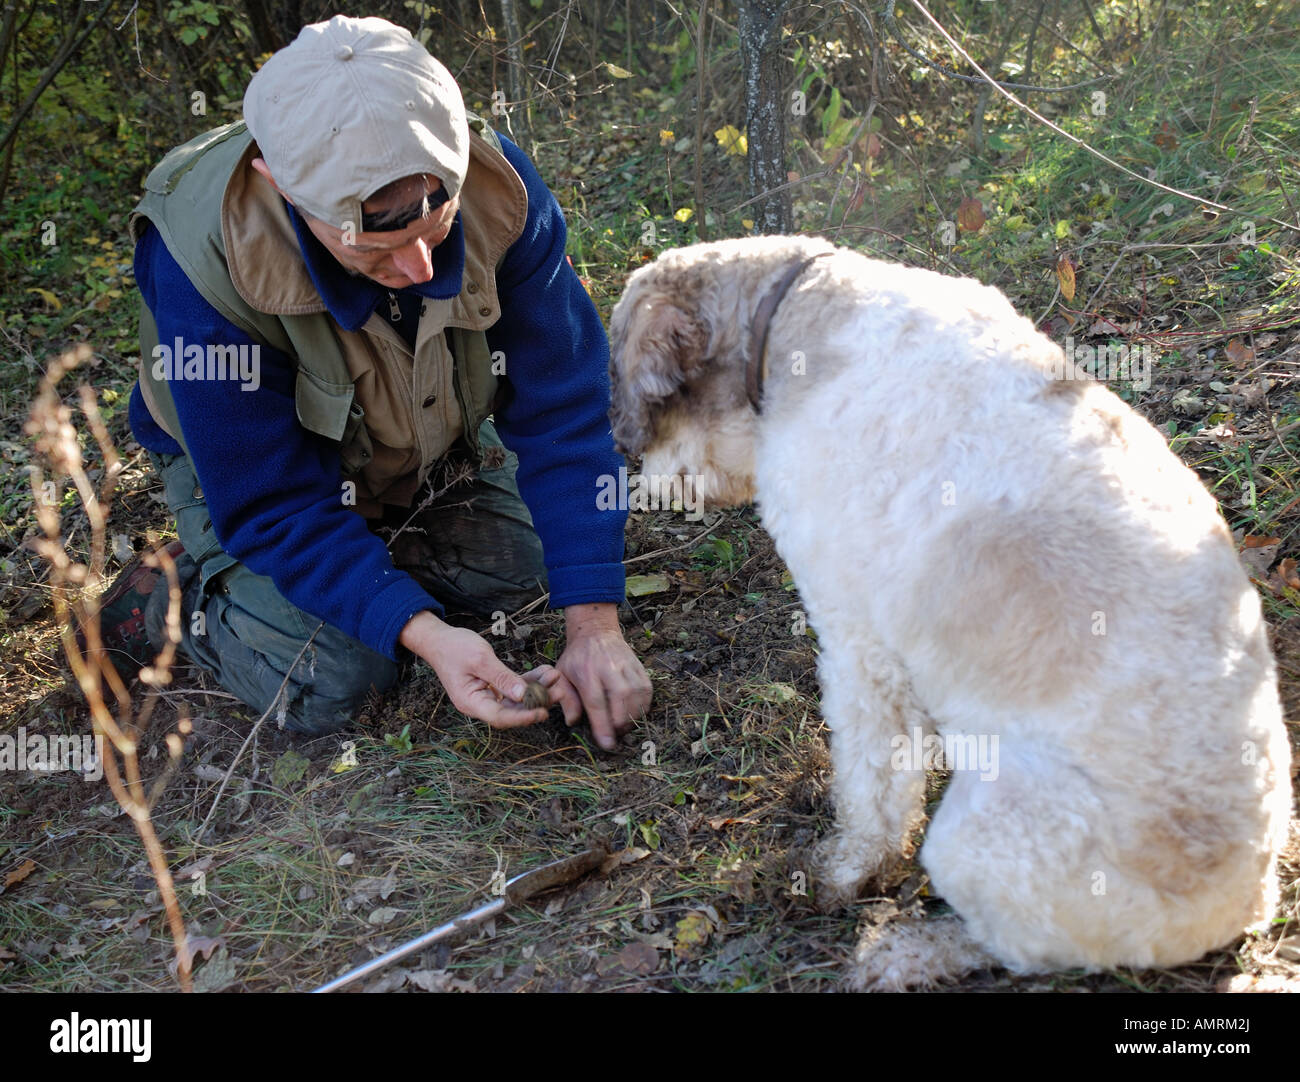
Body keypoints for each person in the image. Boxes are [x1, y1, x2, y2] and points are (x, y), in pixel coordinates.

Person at [96, 15, 651, 751]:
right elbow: (273, 501)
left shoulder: (500, 190)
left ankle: (377, 547)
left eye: (438, 224)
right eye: (380, 247)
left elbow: (566, 410)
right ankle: (166, 597)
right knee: (343, 679)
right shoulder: (202, 258)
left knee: (543, 573)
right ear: (283, 189)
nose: (423, 271)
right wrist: (424, 635)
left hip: (407, 437)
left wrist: (594, 623)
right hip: (257, 480)